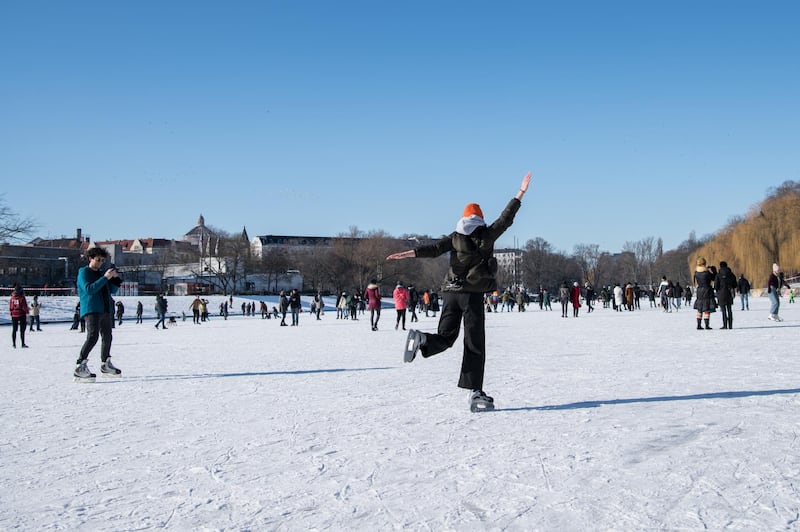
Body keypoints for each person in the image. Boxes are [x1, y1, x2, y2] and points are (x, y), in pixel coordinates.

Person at [386, 171, 531, 412]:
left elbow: (433, 249)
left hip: (451, 292)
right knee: (474, 343)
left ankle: (424, 340)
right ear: (480, 218)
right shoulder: (487, 234)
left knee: (446, 336)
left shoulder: (454, 237)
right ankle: (475, 391)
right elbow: (506, 218)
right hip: (472, 295)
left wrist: (409, 253)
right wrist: (521, 192)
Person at [73, 247, 122, 380]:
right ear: (90, 258)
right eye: (98, 260)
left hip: (105, 309)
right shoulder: (84, 272)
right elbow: (89, 289)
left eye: (102, 260)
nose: (100, 262)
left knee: (107, 336)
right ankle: (80, 365)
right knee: (93, 336)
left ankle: (105, 363)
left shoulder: (101, 274)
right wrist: (105, 277)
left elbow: (111, 290)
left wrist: (115, 279)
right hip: (92, 308)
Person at [693, 257, 716, 330]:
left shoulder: (696, 272)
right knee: (707, 308)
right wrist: (713, 270)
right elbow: (713, 278)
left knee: (700, 308)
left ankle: (699, 325)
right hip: (707, 290)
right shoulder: (706, 272)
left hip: (699, 290)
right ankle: (707, 325)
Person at [714, 261, 737, 329]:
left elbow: (716, 286)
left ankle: (725, 325)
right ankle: (730, 325)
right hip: (729, 293)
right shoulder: (731, 274)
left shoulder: (718, 275)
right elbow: (735, 284)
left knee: (723, 310)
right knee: (729, 309)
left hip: (721, 294)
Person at [9, 284, 29, 348]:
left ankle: (14, 344)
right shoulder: (22, 297)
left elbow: (10, 306)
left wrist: (11, 312)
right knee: (22, 330)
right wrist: (27, 313)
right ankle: (22, 343)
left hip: (14, 315)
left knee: (14, 329)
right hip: (21, 314)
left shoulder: (12, 297)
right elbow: (24, 306)